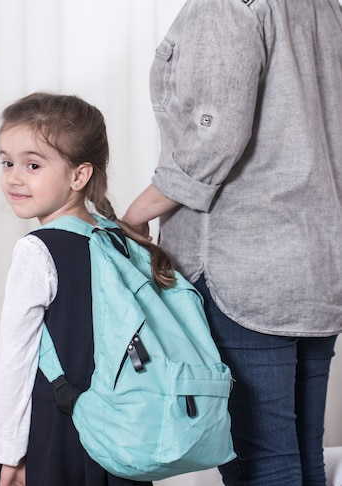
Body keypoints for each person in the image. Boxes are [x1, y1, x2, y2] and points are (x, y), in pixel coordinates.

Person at [122, 1, 342, 485]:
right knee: (300, 457)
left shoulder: (227, 5)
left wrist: (135, 216)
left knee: (261, 462)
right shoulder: (324, 8)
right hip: (318, 263)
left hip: (242, 267)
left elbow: (214, 131)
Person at [0, 92, 172, 486]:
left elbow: (14, 362)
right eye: (7, 162)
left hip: (54, 433)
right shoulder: (118, 239)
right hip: (119, 431)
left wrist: (11, 453)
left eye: (33, 164)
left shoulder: (36, 251)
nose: (14, 177)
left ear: (79, 175)